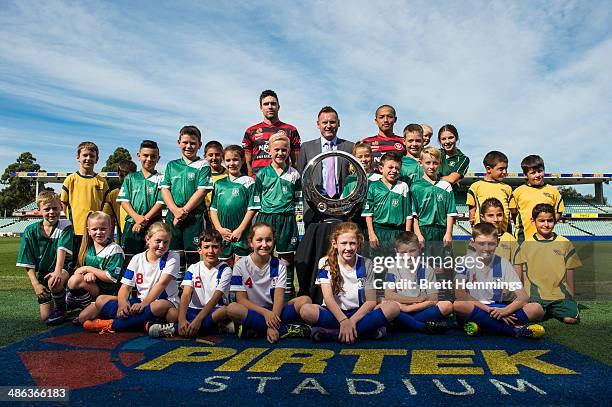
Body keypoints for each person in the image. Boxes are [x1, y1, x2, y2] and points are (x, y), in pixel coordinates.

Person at [299, 222, 400, 342]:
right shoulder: (325, 262)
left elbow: (371, 301)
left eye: (352, 243)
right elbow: (328, 299)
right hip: (334, 314)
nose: (348, 248)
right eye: (343, 243)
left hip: (359, 313)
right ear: (335, 244)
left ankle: (333, 334)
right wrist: (343, 320)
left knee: (393, 307)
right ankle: (366, 331)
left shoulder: (366, 263)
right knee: (306, 310)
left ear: (358, 244)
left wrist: (351, 322)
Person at [82, 222, 179, 333]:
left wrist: (144, 304)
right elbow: (125, 287)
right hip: (140, 302)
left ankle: (112, 324)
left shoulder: (172, 257)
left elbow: (161, 284)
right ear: (147, 239)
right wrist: (123, 304)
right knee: (100, 299)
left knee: (168, 311)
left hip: (164, 302)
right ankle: (145, 323)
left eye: (166, 242)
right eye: (158, 241)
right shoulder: (137, 258)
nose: (162, 245)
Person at [454, 223, 545, 338]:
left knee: (537, 309)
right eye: (481, 244)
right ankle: (512, 330)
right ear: (472, 242)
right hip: (477, 307)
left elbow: (523, 297)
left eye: (491, 244)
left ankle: (484, 325)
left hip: (498, 307)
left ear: (497, 243)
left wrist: (505, 311)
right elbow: (460, 293)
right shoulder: (464, 261)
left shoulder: (503, 263)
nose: (486, 248)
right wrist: (490, 311)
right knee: (459, 305)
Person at [226, 223, 312, 343]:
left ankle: (256, 328)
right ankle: (284, 330)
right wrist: (266, 314)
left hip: (275, 312)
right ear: (251, 242)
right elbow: (241, 300)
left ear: (274, 241)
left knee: (305, 300)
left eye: (268, 240)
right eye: (259, 240)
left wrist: (271, 318)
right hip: (254, 311)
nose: (264, 244)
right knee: (232, 309)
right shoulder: (241, 265)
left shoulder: (280, 266)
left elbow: (278, 299)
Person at [148, 229, 234, 338]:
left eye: (215, 247)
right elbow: (186, 294)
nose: (211, 251)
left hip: (214, 309)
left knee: (223, 311)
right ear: (199, 250)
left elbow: (215, 298)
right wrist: (182, 319)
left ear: (221, 249)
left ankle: (174, 329)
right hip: (193, 310)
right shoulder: (193, 268)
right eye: (206, 247)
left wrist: (197, 321)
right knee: (172, 313)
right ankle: (212, 327)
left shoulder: (225, 270)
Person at [514, 204, 582, 324]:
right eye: (541, 220)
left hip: (560, 296)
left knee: (571, 319)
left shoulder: (565, 243)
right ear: (533, 221)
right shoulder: (526, 244)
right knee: (531, 314)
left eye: (549, 220)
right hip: (535, 298)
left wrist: (571, 295)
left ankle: (556, 310)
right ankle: (546, 311)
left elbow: (570, 271)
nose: (546, 224)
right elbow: (519, 273)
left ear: (554, 221)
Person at [254, 133, 301, 298]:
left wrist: (299, 227)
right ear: (269, 150)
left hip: (287, 219)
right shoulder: (262, 174)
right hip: (266, 218)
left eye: (284, 150)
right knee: (263, 255)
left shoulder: (294, 174)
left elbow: (298, 202)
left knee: (286, 258)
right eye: (277, 150)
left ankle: (287, 294)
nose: (280, 153)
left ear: (289, 151)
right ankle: (264, 293)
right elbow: (256, 200)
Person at [16, 191, 74, 325]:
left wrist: (57, 271)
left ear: (61, 207)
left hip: (64, 269)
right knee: (45, 316)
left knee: (55, 281)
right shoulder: (30, 231)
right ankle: (66, 298)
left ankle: (62, 308)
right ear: (39, 211)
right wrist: (36, 284)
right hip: (43, 273)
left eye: (55, 208)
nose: (52, 212)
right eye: (47, 209)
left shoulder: (65, 225)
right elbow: (27, 260)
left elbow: (62, 250)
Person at [160, 125, 213, 265]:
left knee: (192, 255)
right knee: (173, 254)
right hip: (173, 215)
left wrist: (183, 212)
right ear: (179, 143)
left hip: (194, 217)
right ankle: (176, 285)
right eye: (185, 142)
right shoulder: (172, 165)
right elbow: (165, 189)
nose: (188, 146)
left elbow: (202, 191)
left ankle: (191, 286)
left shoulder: (203, 165)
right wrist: (175, 211)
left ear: (199, 145)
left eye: (193, 143)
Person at [296, 106, 354, 227]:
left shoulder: (350, 147)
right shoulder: (307, 147)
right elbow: (301, 176)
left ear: (338, 124)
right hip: (314, 208)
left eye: (332, 122)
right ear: (318, 124)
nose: (328, 125)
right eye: (324, 122)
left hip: (342, 207)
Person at [384, 232, 452, 333]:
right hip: (399, 308)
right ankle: (421, 326)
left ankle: (402, 323)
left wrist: (409, 308)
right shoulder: (393, 268)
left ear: (419, 248)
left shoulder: (427, 269)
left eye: (412, 251)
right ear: (396, 252)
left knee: (447, 306)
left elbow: (433, 299)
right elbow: (389, 295)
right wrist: (416, 299)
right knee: (381, 304)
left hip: (417, 309)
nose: (408, 256)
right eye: (403, 252)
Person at [67, 211, 125, 324]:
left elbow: (111, 278)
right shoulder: (87, 248)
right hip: (96, 290)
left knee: (83, 319)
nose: (99, 232)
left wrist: (89, 269)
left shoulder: (114, 249)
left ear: (110, 229)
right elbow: (78, 271)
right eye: (94, 229)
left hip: (111, 294)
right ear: (88, 230)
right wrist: (87, 274)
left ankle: (95, 309)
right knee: (74, 281)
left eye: (103, 229)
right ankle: (86, 306)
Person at [210, 145, 260, 263]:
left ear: (242, 161)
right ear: (223, 161)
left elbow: (252, 209)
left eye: (235, 159)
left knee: (240, 269)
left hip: (242, 235)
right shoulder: (218, 184)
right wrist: (219, 229)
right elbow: (213, 209)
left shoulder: (249, 182)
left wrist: (240, 230)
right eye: (228, 160)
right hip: (223, 235)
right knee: (224, 269)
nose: (232, 163)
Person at [60, 141, 112, 255]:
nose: (88, 158)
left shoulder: (102, 181)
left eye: (92, 156)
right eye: (85, 155)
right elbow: (63, 203)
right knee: (72, 263)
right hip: (74, 230)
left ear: (97, 159)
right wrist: (64, 225)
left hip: (94, 231)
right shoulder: (70, 180)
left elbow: (106, 205)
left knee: (91, 261)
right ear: (78, 157)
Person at [117, 140, 164, 256]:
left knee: (154, 256)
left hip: (153, 224)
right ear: (139, 156)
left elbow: (160, 202)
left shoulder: (162, 179)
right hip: (132, 223)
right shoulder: (130, 178)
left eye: (153, 156)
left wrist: (144, 220)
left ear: (158, 158)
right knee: (129, 257)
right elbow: (124, 200)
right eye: (145, 155)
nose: (149, 159)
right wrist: (136, 218)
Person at [362, 152, 413, 255]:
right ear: (381, 168)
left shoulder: (403, 186)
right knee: (378, 266)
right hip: (378, 231)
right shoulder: (373, 186)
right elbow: (368, 213)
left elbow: (408, 214)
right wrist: (372, 234)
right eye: (390, 167)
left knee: (397, 266)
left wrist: (406, 236)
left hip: (397, 233)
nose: (394, 170)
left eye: (397, 168)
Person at [242, 90, 301, 176]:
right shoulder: (250, 131)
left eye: (273, 104)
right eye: (266, 104)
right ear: (261, 108)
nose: (270, 107)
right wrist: (250, 180)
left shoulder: (291, 130)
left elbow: (296, 162)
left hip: (282, 181)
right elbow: (247, 163)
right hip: (258, 182)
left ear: (278, 107)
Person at [411, 147, 457, 253]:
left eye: (435, 163)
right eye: (428, 163)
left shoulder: (446, 186)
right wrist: (418, 234)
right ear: (420, 163)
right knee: (424, 266)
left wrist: (449, 233)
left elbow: (450, 213)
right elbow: (414, 214)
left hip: (442, 230)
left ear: (440, 163)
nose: (431, 166)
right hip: (423, 230)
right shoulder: (415, 186)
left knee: (443, 266)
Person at [511, 155, 565, 243]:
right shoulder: (518, 192)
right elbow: (513, 213)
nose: (537, 175)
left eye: (540, 171)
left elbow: (558, 211)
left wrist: (546, 225)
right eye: (533, 173)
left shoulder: (553, 191)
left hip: (546, 239)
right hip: (523, 239)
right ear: (525, 175)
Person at [467, 151, 515, 232]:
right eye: (501, 169)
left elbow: (513, 211)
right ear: (488, 169)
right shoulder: (476, 186)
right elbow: (472, 210)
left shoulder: (507, 188)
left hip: (504, 233)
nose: (505, 172)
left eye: (506, 168)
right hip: (483, 233)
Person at [107, 160, 137, 243]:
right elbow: (110, 216)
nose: (125, 178)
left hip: (138, 229)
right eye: (122, 175)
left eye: (128, 175)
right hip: (122, 232)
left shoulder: (139, 191)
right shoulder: (114, 194)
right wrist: (110, 235)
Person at [479, 198, 517, 263]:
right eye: (490, 215)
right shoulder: (477, 239)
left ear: (503, 215)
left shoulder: (510, 239)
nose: (495, 219)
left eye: (499, 215)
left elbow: (517, 266)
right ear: (482, 217)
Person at [203, 140, 229, 212]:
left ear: (222, 156)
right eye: (210, 155)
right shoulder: (202, 175)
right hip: (207, 216)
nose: (214, 158)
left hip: (225, 213)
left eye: (217, 155)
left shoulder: (230, 174)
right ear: (205, 157)